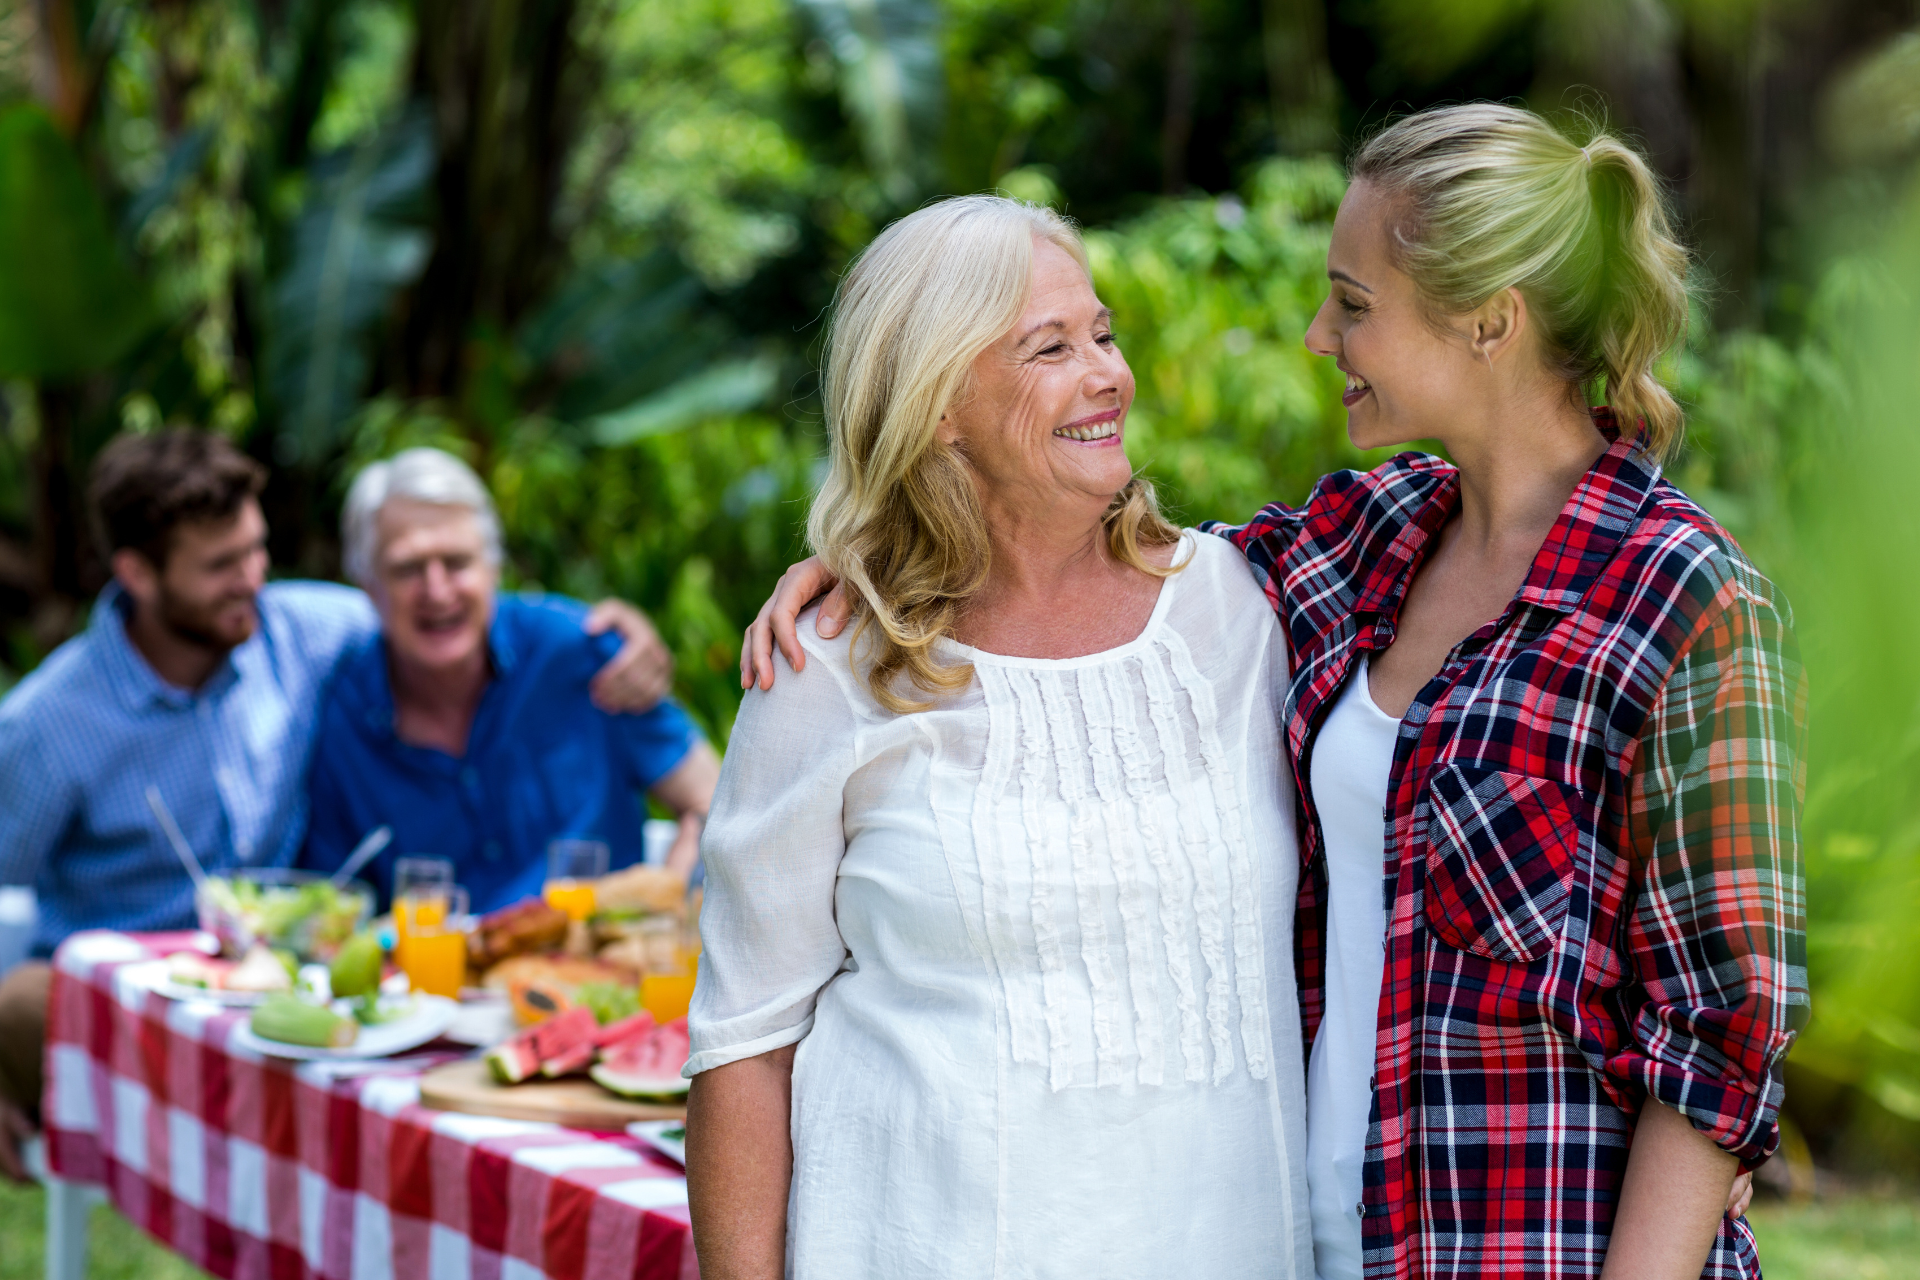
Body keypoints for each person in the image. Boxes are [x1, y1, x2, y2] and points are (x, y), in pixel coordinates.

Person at [745, 106, 1802, 1280]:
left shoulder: (1686, 600)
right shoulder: (1363, 546)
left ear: (1490, 322)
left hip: (1533, 1248)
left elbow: (1720, 1039)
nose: (1316, 334)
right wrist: (877, 550)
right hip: (1323, 1241)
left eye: (1353, 303)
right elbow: (1073, 570)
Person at [685, 196, 1311, 1280]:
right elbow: (744, 1040)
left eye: (1103, 335)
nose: (1107, 373)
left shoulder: (1244, 609)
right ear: (937, 407)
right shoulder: (828, 665)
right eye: (1050, 348)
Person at [0, 429, 673, 1182]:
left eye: (257, 551)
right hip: (121, 1001)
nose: (253, 579)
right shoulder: (48, 725)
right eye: (221, 565)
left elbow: (455, 608)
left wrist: (615, 636)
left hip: (283, 996)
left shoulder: (303, 629)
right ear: (139, 575)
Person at [299, 448, 720, 912]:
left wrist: (667, 900)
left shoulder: (578, 651)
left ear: (493, 568)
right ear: (368, 585)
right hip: (432, 982)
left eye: (457, 562)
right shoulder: (343, 717)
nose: (437, 591)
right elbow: (332, 906)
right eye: (407, 569)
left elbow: (715, 801)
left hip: (600, 973)